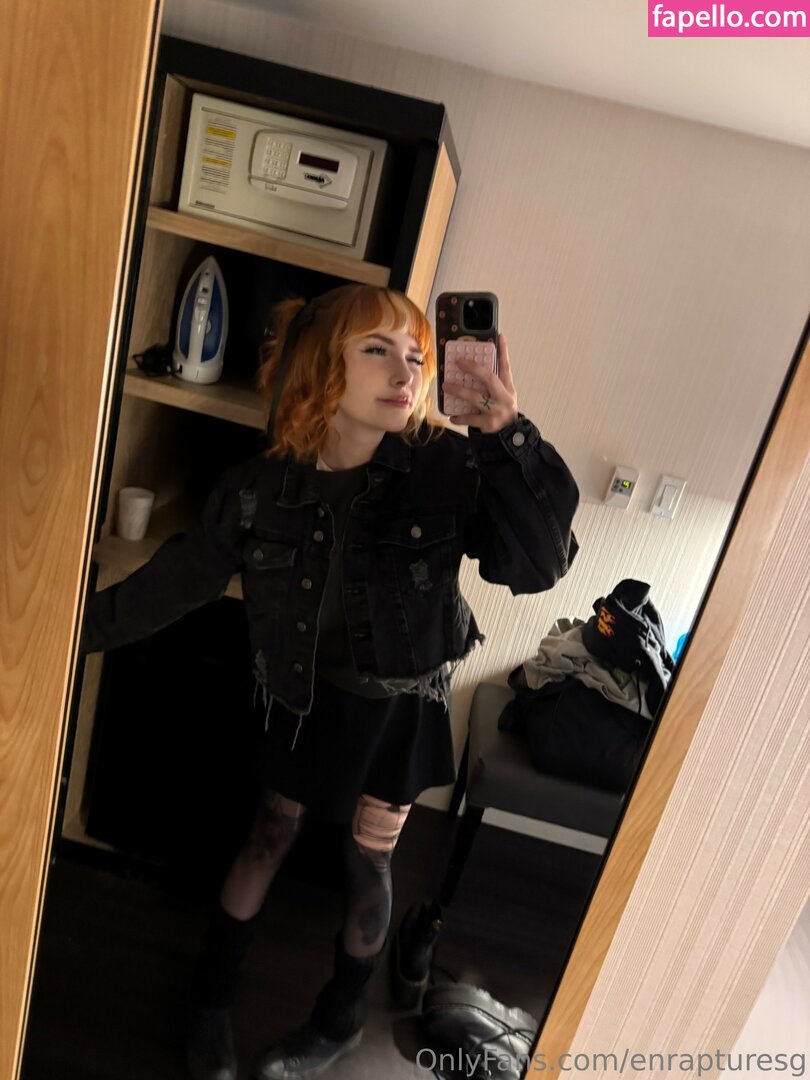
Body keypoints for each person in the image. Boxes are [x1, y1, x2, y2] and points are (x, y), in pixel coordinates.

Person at [80, 283, 580, 1080]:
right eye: (377, 350)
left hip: (398, 713)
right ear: (322, 363)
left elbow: (537, 565)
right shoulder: (259, 488)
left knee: (367, 862)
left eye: (415, 356)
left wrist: (505, 435)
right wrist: (60, 642)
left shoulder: (444, 467)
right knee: (267, 837)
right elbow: (170, 585)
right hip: (301, 700)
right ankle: (211, 1001)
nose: (406, 373)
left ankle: (341, 1018)